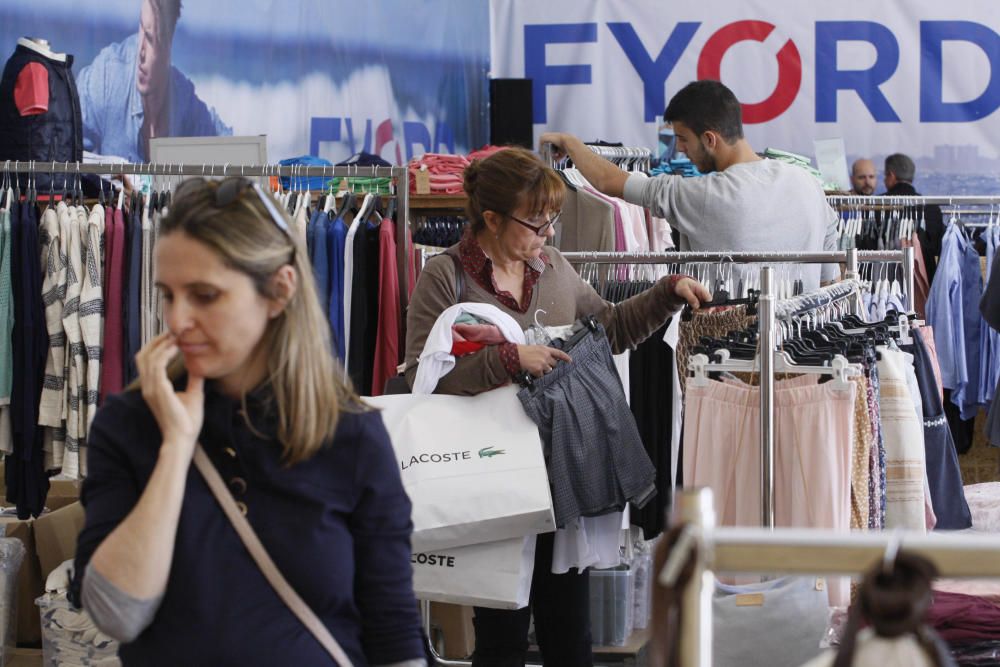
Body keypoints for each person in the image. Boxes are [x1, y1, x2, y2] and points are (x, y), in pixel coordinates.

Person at [72, 177, 427, 666]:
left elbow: (393, 630)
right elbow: (116, 614)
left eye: (205, 295)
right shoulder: (130, 424)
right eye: (168, 295)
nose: (177, 320)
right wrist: (175, 447)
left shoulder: (348, 434)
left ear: (278, 291)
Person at [403, 146, 710, 665]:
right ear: (492, 218)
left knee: (570, 632)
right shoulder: (446, 276)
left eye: (552, 220)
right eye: (536, 222)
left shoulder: (551, 268)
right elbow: (421, 377)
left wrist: (666, 293)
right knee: (501, 634)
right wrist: (507, 358)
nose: (547, 233)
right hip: (492, 481)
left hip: (561, 475)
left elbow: (608, 329)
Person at [541, 80, 840, 289]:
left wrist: (570, 142)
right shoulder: (806, 182)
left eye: (683, 139)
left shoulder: (704, 196)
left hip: (722, 356)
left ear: (710, 139)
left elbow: (609, 180)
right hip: (802, 348)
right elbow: (830, 270)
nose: (680, 150)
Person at [75, 0, 231, 163]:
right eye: (141, 27)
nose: (140, 52)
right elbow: (65, 153)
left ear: (168, 46)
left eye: (150, 38)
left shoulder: (183, 100)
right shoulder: (105, 79)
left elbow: (232, 148)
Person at [881, 153, 945, 280]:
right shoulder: (931, 208)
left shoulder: (877, 207)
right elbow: (937, 248)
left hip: (885, 284)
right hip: (925, 285)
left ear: (891, 175)